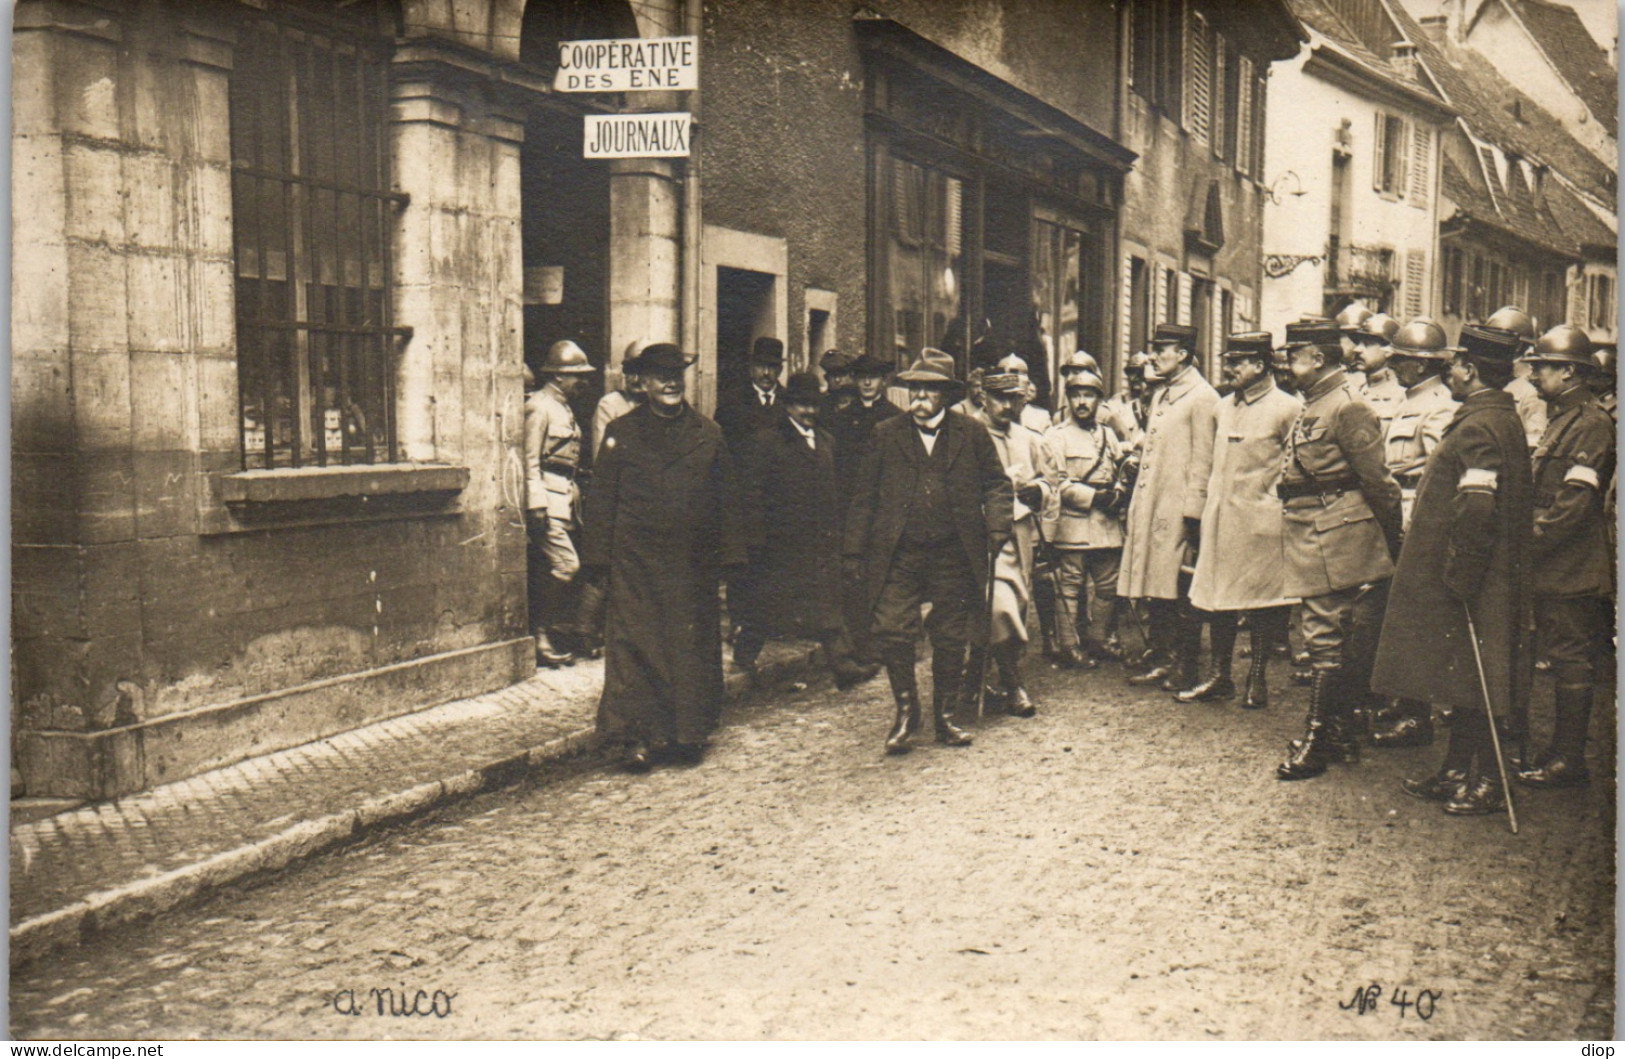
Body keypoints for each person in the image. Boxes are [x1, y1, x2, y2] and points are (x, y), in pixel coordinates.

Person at [1376, 324, 1532, 815]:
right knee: (1465, 673)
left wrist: (1462, 573)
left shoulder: (1480, 426)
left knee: (1481, 676)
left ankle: (1486, 779)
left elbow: (1478, 506)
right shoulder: (1491, 417)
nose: (1451, 373)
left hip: (1475, 574)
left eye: (1456, 365)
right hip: (1478, 569)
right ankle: (1454, 768)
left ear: (1470, 368)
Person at [580, 343, 748, 772]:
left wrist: (730, 561)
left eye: (676, 374)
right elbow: (603, 501)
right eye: (659, 375)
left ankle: (687, 734)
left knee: (689, 646)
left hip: (692, 564)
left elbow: (728, 501)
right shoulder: (622, 432)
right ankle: (635, 737)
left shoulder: (707, 434)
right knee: (634, 648)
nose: (670, 382)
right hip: (635, 562)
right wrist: (599, 564)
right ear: (643, 382)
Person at [844, 348, 1012, 755]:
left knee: (951, 636)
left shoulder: (971, 434)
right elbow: (864, 496)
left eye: (928, 392)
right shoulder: (886, 434)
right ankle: (906, 713)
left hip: (954, 552)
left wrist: (996, 526)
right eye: (913, 391)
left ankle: (946, 716)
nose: (918, 399)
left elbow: (997, 484)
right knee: (892, 629)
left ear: (945, 396)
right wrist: (853, 551)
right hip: (899, 553)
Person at [1273, 319, 1403, 781]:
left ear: (1319, 358)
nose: (1287, 363)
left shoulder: (1347, 408)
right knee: (1328, 634)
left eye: (1294, 355)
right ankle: (1340, 732)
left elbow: (1378, 481)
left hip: (1336, 529)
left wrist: (1394, 538)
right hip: (1313, 525)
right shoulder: (1317, 402)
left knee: (1325, 635)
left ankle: (1319, 738)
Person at [1515, 325, 1615, 789]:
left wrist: (1529, 544)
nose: (1535, 375)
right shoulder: (1560, 418)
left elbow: (1574, 501)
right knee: (1559, 654)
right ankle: (1557, 752)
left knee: (1572, 657)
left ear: (1571, 373)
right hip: (1550, 557)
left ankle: (1569, 759)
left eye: (1544, 367)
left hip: (1569, 561)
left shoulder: (1592, 423)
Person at [734, 372, 880, 691]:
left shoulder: (826, 441)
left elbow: (836, 491)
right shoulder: (768, 441)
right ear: (788, 406)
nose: (808, 412)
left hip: (821, 540)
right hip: (781, 542)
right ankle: (744, 657)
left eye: (813, 406)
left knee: (829, 604)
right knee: (765, 603)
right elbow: (753, 495)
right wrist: (757, 540)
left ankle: (843, 666)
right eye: (801, 405)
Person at [1183, 332, 1300, 708]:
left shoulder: (1288, 408)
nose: (1228, 368)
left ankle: (1257, 678)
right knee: (1218, 599)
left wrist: (1275, 504)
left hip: (1262, 524)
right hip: (1221, 520)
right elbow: (1207, 464)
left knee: (1262, 602)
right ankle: (1220, 676)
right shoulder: (1222, 407)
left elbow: (1295, 467)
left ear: (1260, 365)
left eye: (1236, 361)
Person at [1364, 318, 1462, 749]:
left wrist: (1400, 471)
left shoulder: (1439, 406)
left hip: (1414, 519)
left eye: (1402, 361)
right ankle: (1402, 701)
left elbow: (1443, 469)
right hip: (1392, 516)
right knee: (1392, 616)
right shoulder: (1408, 401)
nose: (1396, 367)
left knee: (1416, 620)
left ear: (1421, 366)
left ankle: (1416, 715)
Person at [1120, 323, 1219, 693]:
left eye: (1163, 349)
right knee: (1155, 582)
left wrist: (1193, 514)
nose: (1155, 355)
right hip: (1153, 502)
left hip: (1179, 509)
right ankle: (1160, 654)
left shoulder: (1202, 397)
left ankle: (1182, 662)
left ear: (1183, 355)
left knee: (1178, 585)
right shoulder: (1163, 394)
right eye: (1156, 348)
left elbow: (1203, 460)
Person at [971, 370, 1059, 716]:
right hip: (980, 534)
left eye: (1014, 399)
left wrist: (1038, 490)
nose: (1007, 406)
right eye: (999, 399)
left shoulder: (1029, 439)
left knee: (1016, 603)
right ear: (983, 398)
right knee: (997, 606)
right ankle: (1012, 682)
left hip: (1020, 533)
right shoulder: (967, 434)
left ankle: (981, 677)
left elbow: (1050, 481)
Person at [1043, 367, 1129, 670]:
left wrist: (1118, 491)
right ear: (1067, 399)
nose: (1082, 402)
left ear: (1098, 400)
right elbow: (1058, 483)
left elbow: (1120, 470)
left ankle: (1099, 639)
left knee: (1107, 586)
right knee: (1070, 587)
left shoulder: (1107, 434)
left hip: (1106, 526)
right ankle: (1069, 646)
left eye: (1089, 395)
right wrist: (1094, 497)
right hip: (1074, 523)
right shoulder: (1056, 436)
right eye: (1076, 395)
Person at [524, 340, 597, 668]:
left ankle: (551, 633)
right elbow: (530, 459)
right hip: (547, 499)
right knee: (567, 566)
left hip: (565, 498)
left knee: (561, 569)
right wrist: (535, 502)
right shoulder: (540, 406)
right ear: (556, 377)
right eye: (575, 376)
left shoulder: (563, 406)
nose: (582, 382)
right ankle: (539, 635)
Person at [1485, 306, 1547, 450]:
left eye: (1496, 341)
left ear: (1518, 346)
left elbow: (1534, 444)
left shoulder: (1531, 393)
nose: (1489, 347)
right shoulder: (1487, 380)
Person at [714, 336, 786, 448]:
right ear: (751, 367)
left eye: (772, 366)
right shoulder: (732, 401)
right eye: (760, 365)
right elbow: (722, 446)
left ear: (780, 369)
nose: (766, 373)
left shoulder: (789, 401)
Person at [591, 340, 646, 460]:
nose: (636, 379)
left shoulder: (660, 405)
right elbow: (602, 460)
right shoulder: (610, 405)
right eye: (630, 371)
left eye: (642, 371)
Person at [1350, 313, 1404, 427]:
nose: (1357, 349)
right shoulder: (1357, 389)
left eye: (1367, 344)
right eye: (1358, 343)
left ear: (1388, 351)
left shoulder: (1402, 395)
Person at [819, 350, 857, 420]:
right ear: (826, 378)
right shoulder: (822, 404)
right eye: (833, 375)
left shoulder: (861, 402)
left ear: (851, 376)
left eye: (842, 374)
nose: (837, 380)